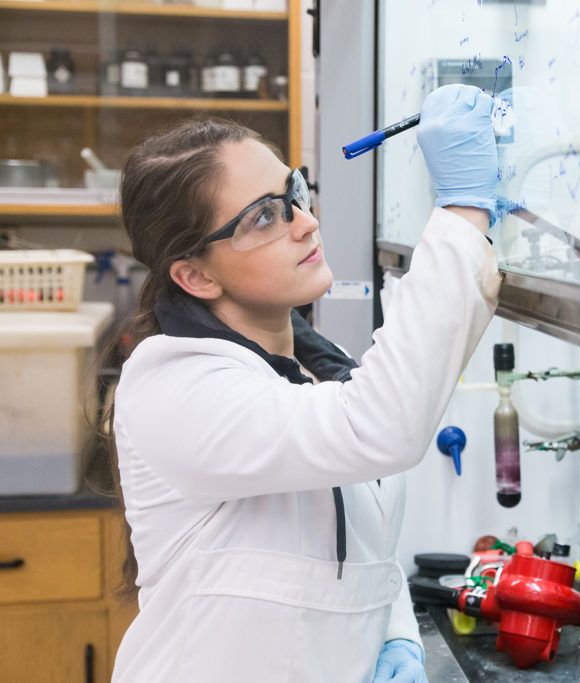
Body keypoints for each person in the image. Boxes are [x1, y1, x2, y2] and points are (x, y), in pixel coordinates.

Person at [93, 83, 501, 682]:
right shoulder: (172, 388)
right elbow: (381, 428)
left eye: (295, 192)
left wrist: (396, 635)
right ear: (196, 275)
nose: (306, 223)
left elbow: (366, 553)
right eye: (264, 216)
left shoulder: (322, 365)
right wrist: (463, 210)